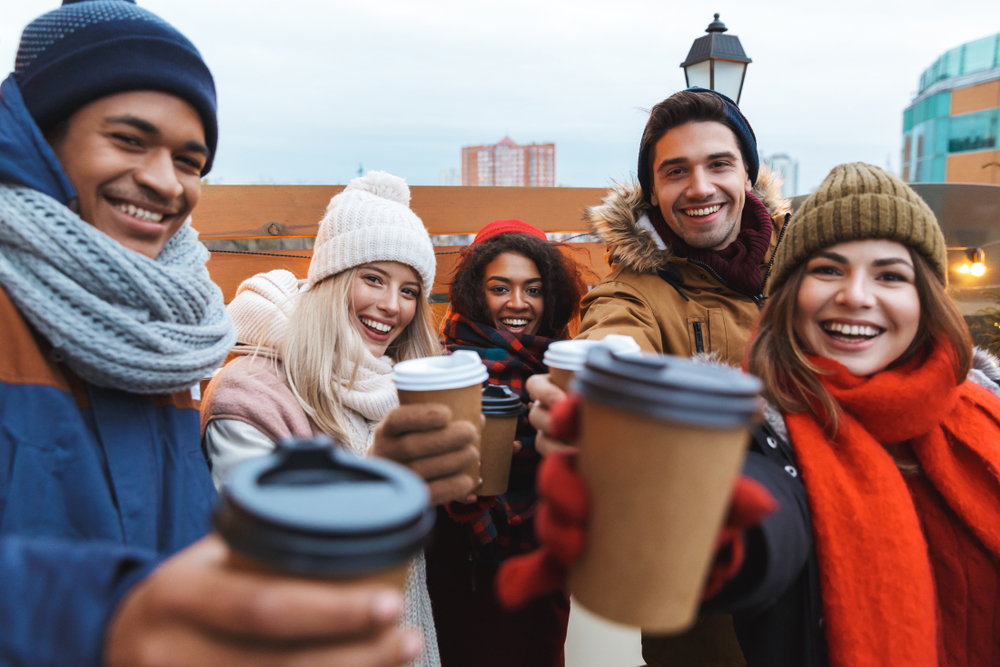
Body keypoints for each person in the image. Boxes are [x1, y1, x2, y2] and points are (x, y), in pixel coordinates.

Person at [0, 2, 425, 665]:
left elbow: (190, 546)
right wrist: (107, 615)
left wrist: (386, 480)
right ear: (41, 138)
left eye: (191, 160)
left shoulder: (166, 342)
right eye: (129, 139)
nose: (165, 181)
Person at [501, 163, 1000, 667]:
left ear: (927, 299)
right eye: (827, 270)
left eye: (890, 275)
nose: (855, 295)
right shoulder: (767, 442)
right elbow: (751, 531)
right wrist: (640, 469)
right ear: (790, 299)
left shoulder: (986, 415)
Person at [526, 87, 791, 661]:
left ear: (747, 173)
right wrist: (604, 396)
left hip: (832, 592)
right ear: (653, 191)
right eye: (675, 171)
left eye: (718, 164)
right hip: (706, 612)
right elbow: (613, 339)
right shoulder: (634, 292)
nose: (699, 187)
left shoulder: (811, 267)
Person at [202, 170, 482, 667]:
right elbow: (258, 565)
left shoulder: (394, 387)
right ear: (329, 280)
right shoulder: (251, 393)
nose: (391, 306)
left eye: (410, 290)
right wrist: (379, 480)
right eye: (372, 278)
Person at [427, 219, 587, 667]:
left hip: (548, 565)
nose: (518, 303)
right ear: (477, 293)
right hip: (467, 568)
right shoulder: (445, 369)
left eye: (533, 290)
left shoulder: (566, 365)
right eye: (501, 288)